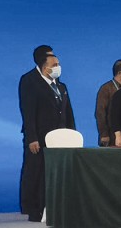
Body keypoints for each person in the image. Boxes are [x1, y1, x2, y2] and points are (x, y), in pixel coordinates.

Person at [19, 52, 75, 223]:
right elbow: (28, 113)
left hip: (60, 137)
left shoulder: (61, 86)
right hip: (40, 138)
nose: (58, 67)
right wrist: (32, 138)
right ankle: (35, 210)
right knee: (37, 173)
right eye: (55, 65)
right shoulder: (33, 84)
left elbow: (68, 112)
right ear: (45, 68)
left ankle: (56, 207)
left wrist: (72, 133)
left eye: (58, 64)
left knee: (58, 173)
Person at [95, 59, 121, 147]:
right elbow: (100, 113)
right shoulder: (106, 89)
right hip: (111, 135)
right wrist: (104, 134)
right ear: (120, 73)